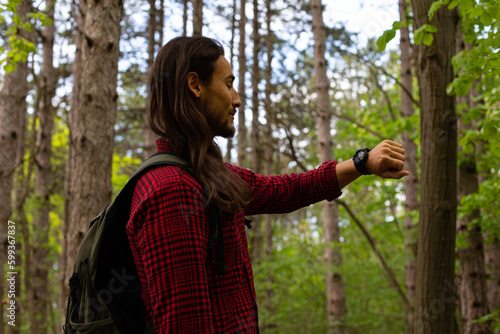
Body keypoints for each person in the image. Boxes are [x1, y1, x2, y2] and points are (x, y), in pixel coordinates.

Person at [126, 36, 409, 333]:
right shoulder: (173, 191)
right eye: (228, 84)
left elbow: (286, 190)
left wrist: (362, 163)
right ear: (195, 85)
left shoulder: (207, 175)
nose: (236, 99)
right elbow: (185, 326)